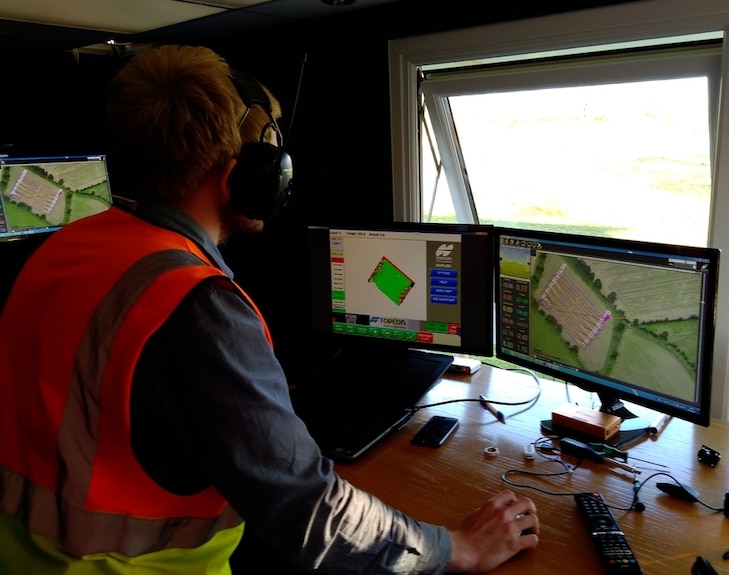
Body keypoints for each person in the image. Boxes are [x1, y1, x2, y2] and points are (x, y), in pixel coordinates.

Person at [0, 44, 539, 574]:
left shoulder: (67, 246)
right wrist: (456, 548)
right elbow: (314, 516)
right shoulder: (194, 305)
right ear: (247, 175)